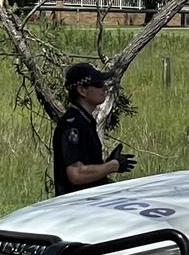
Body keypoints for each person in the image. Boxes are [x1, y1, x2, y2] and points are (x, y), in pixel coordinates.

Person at [53, 63, 135, 196]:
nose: (104, 87)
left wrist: (106, 164)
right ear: (82, 90)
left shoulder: (84, 120)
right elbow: (76, 174)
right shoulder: (73, 126)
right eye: (97, 84)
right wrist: (112, 166)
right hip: (76, 207)